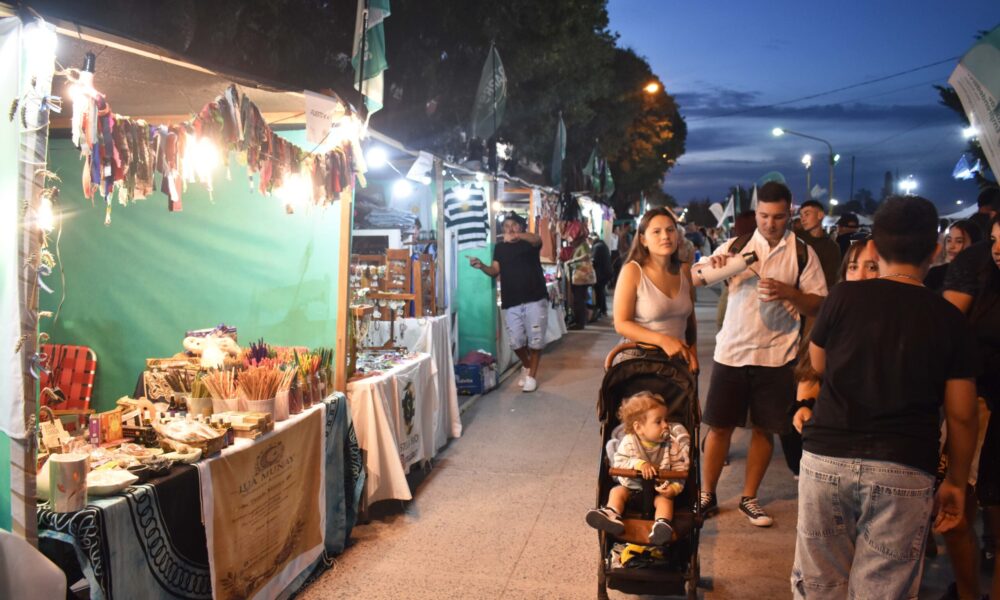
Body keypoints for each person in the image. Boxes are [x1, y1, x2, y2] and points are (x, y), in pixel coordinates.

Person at [790, 195, 979, 598]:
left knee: (820, 585)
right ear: (936, 248)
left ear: (873, 246)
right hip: (905, 467)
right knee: (883, 590)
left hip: (827, 458)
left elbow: (820, 364)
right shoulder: (948, 318)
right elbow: (963, 415)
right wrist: (957, 482)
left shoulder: (843, 298)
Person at [693, 182, 828, 527]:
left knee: (764, 429)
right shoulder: (736, 246)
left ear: (790, 214)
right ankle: (707, 493)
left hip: (777, 355)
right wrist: (719, 265)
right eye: (764, 216)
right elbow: (697, 276)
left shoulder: (802, 253)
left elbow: (820, 303)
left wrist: (790, 293)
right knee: (719, 426)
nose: (770, 223)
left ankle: (749, 498)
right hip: (732, 350)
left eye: (778, 216)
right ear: (757, 213)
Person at [940, 215, 1000, 600]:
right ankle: (966, 591)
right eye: (995, 239)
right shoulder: (979, 270)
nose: (998, 249)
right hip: (975, 402)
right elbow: (946, 326)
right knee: (958, 507)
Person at [585, 391, 691, 545]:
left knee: (666, 500)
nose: (666, 425)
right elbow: (618, 463)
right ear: (639, 428)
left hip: (658, 491)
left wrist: (674, 488)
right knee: (616, 491)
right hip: (631, 490)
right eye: (658, 421)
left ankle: (662, 525)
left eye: (665, 420)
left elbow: (680, 468)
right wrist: (639, 464)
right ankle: (611, 514)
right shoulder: (629, 442)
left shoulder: (671, 445)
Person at [469, 213, 547, 392]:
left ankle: (531, 378)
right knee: (516, 342)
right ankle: (527, 366)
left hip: (535, 297)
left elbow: (537, 239)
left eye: (514, 225)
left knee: (536, 340)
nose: (510, 229)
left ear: (520, 227)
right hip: (511, 300)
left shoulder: (530, 243)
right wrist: (481, 266)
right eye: (506, 226)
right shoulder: (500, 248)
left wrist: (518, 236)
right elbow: (495, 270)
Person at [613, 207, 697, 368]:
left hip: (678, 363)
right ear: (643, 240)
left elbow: (690, 321)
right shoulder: (633, 271)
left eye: (670, 230)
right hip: (639, 363)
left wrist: (693, 355)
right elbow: (621, 323)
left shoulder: (684, 270)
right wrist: (663, 341)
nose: (665, 236)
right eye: (656, 232)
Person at [925, 219, 983, 291]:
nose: (951, 246)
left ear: (974, 244)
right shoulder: (935, 274)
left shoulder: (983, 277)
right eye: (949, 240)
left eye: (959, 241)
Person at [796, 200, 841, 289]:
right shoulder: (795, 238)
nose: (803, 219)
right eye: (801, 215)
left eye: (807, 214)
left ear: (820, 215)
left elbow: (830, 279)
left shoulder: (831, 247)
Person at [565, 230, 596, 330]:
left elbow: (587, 256)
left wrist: (573, 261)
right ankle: (581, 320)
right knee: (580, 299)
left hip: (582, 277)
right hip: (581, 277)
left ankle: (580, 322)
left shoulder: (583, 245)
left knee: (579, 300)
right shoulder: (581, 246)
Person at [590, 233, 614, 320]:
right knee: (601, 291)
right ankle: (603, 310)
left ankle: (601, 310)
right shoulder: (602, 245)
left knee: (599, 292)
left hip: (601, 274)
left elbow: (594, 260)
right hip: (606, 272)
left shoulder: (597, 247)